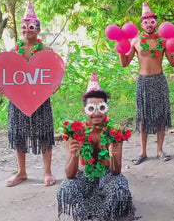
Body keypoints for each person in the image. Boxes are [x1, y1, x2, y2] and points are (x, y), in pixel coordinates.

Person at [57, 72, 134, 221]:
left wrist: (112, 156)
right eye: (92, 108)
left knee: (120, 186)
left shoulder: (114, 133)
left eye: (101, 108)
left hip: (107, 176)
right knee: (66, 187)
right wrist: (74, 154)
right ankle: (85, 214)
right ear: (84, 110)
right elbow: (69, 175)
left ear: (107, 108)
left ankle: (106, 214)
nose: (97, 113)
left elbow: (116, 171)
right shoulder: (74, 133)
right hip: (83, 176)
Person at [0, 0, 57, 187]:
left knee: (45, 133)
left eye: (31, 27)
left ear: (38, 30)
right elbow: (4, 75)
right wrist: (1, 87)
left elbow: (54, 75)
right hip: (19, 100)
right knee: (19, 133)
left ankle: (47, 172)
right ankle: (21, 172)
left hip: (41, 100)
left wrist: (55, 85)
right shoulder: (13, 52)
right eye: (24, 27)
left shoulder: (47, 52)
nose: (26, 31)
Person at [120, 2, 174, 165]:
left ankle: (160, 150)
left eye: (152, 21)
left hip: (159, 80)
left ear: (156, 23)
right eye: (146, 22)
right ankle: (143, 152)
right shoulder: (136, 41)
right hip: (143, 82)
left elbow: (173, 63)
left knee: (161, 116)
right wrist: (120, 48)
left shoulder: (163, 41)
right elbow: (125, 63)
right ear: (141, 24)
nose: (149, 25)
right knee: (143, 117)